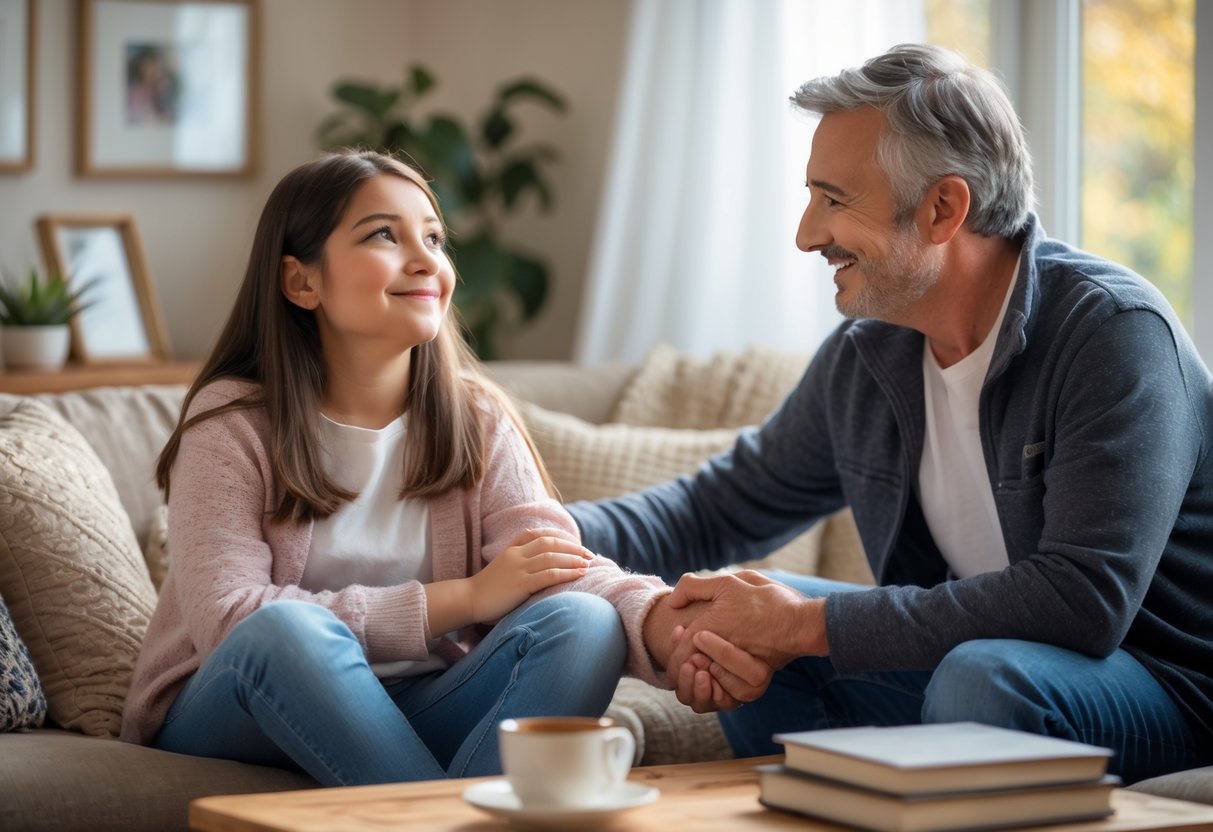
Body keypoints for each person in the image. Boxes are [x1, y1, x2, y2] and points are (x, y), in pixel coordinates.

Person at [569, 43, 1213, 784]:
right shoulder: (868, 355)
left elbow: (1082, 601)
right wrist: (535, 529)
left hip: (1166, 687)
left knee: (981, 678)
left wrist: (805, 625)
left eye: (834, 200)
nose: (807, 234)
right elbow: (716, 507)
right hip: (978, 674)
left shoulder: (1113, 333)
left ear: (943, 208)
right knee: (734, 626)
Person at [119, 150, 681, 786]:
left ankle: (432, 808)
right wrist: (462, 599)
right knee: (289, 631)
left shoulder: (478, 418)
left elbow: (553, 570)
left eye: (434, 238)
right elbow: (231, 621)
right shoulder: (232, 422)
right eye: (384, 234)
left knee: (583, 624)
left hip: (413, 704)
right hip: (237, 703)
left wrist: (670, 622)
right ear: (302, 282)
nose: (426, 260)